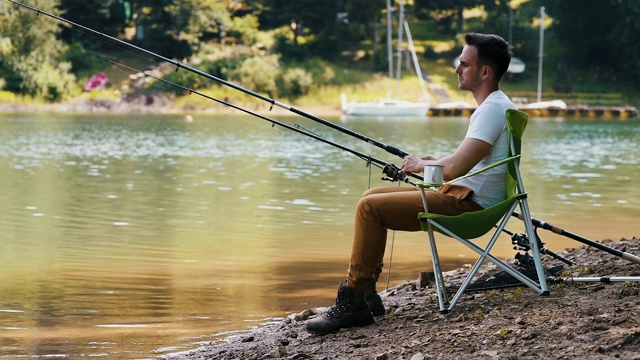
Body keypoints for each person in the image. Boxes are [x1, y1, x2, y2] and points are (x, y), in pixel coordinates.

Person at [305, 32, 517, 334]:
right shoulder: (497, 106)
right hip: (469, 196)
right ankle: (366, 293)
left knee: (370, 209)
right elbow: (468, 160)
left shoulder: (492, 109)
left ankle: (353, 302)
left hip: (468, 205)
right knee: (370, 195)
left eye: (464, 64)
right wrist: (433, 161)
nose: (457, 70)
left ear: (485, 71)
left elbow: (456, 168)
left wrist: (423, 165)